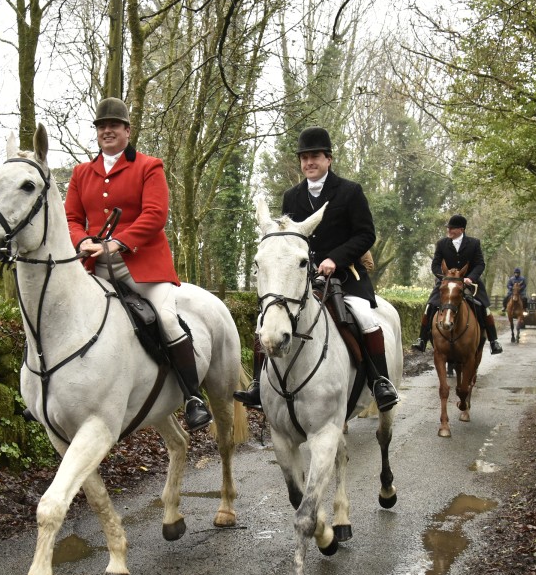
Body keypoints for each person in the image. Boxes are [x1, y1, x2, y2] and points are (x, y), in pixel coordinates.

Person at [65, 97, 212, 432]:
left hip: (141, 267)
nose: (107, 131)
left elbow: (155, 215)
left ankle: (192, 397)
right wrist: (81, 241)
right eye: (102, 126)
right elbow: (72, 217)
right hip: (96, 268)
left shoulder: (149, 167)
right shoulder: (81, 173)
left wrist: (120, 241)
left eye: (114, 125)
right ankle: (56, 395)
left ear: (127, 131)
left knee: (167, 318)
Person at [234, 126, 399, 412]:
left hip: (347, 277)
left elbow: (365, 234)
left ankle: (380, 381)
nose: (309, 162)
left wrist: (335, 258)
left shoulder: (350, 191)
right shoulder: (292, 196)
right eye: (304, 158)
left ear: (328, 159)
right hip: (304, 278)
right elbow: (288, 240)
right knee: (267, 319)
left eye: (315, 157)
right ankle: (259, 385)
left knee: (364, 318)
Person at [411, 214, 504, 355]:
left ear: (461, 229)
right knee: (429, 306)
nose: (449, 230)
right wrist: (444, 277)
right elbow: (435, 265)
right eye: (448, 228)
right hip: (446, 283)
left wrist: (470, 278)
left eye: (452, 228)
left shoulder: (474, 243)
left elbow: (480, 264)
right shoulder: (442, 244)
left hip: (469, 283)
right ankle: (422, 339)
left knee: (485, 309)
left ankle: (493, 341)